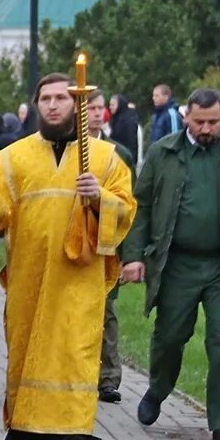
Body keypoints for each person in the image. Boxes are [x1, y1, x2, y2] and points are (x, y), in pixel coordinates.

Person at [0, 73, 136, 440]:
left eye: (62, 98)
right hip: (30, 282)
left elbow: (127, 211)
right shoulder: (13, 158)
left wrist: (100, 198)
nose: (53, 105)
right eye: (45, 98)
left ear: (77, 105)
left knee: (75, 359)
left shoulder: (105, 158)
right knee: (28, 354)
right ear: (36, 104)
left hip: (79, 282)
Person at [122, 86, 220, 440]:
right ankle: (157, 389)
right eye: (200, 121)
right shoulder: (164, 153)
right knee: (170, 337)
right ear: (187, 116)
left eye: (214, 122)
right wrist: (134, 256)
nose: (206, 129)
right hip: (176, 263)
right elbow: (140, 207)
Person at [89, 88, 134, 404]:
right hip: (75, 240)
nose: (94, 113)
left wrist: (130, 254)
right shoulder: (65, 150)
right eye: (89, 107)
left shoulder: (119, 153)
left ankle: (108, 378)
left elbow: (130, 205)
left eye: (99, 108)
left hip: (108, 242)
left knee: (107, 313)